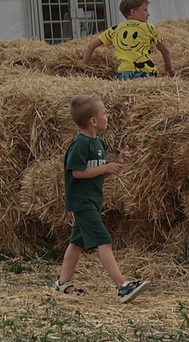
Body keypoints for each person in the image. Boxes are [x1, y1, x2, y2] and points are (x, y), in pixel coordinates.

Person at [55, 92, 144, 302]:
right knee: (103, 241)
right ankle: (122, 286)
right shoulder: (80, 144)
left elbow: (97, 170)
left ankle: (62, 284)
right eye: (104, 113)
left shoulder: (100, 145)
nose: (108, 116)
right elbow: (77, 172)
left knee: (76, 243)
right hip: (82, 201)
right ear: (93, 121)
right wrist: (106, 166)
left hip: (93, 200)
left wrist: (117, 163)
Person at [83, 0, 176, 80]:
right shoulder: (149, 28)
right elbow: (165, 51)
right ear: (133, 12)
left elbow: (91, 45)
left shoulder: (115, 29)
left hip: (124, 74)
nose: (148, 14)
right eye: (145, 10)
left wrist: (83, 66)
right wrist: (169, 70)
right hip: (146, 73)